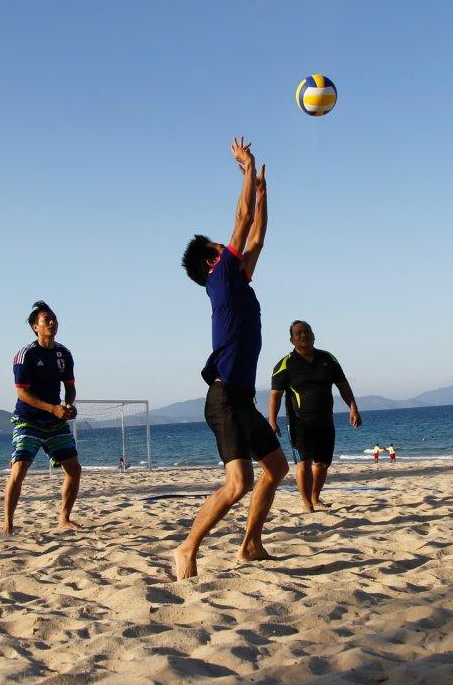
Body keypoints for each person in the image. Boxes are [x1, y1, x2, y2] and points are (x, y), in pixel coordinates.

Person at [173, 136, 288, 581]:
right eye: (223, 246)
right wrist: (246, 169)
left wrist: (262, 193)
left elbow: (255, 234)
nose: (232, 247)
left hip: (241, 399)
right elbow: (241, 221)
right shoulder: (220, 277)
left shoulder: (236, 279)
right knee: (238, 484)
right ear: (213, 260)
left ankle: (250, 543)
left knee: (276, 468)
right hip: (223, 398)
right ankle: (186, 548)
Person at [268, 320, 362, 512]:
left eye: (307, 331)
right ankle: (307, 503)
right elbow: (275, 396)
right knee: (304, 462)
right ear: (292, 340)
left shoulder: (328, 359)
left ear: (313, 335)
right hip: (298, 421)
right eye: (298, 333)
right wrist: (272, 421)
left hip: (325, 419)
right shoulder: (285, 364)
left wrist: (353, 407)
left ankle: (315, 497)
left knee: (322, 463)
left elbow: (343, 385)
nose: (303, 335)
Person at [4, 301, 81, 534]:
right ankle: (8, 523)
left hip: (55, 421)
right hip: (28, 420)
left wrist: (68, 405)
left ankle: (64, 518)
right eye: (46, 319)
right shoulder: (25, 354)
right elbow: (22, 392)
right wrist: (52, 408)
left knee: (74, 470)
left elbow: (70, 386)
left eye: (54, 318)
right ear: (34, 327)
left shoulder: (63, 353)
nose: (52, 322)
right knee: (19, 469)